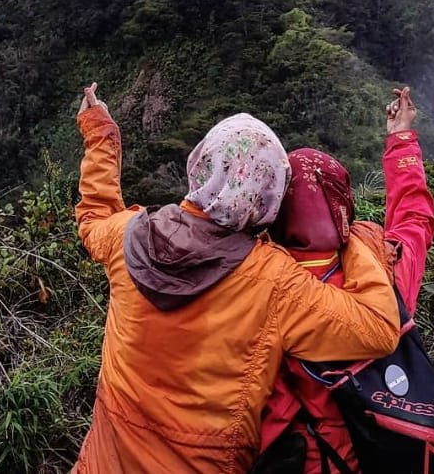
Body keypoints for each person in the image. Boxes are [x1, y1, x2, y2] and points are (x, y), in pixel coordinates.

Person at [71, 83, 400, 474]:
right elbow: (378, 329)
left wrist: (100, 131)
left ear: (201, 165)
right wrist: (351, 239)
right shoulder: (273, 281)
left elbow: (93, 216)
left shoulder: (128, 235)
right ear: (269, 198)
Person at [258, 87, 434, 472]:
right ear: (342, 206)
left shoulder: (254, 286)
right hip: (381, 453)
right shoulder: (383, 268)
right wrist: (401, 138)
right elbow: (415, 221)